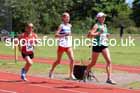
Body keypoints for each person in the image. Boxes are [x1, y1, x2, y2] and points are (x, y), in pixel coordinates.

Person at [85, 12, 116, 84]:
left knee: (109, 61)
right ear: (98, 18)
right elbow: (89, 35)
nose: (104, 18)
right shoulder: (96, 25)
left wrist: (106, 35)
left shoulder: (105, 25)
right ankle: (86, 72)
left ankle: (109, 78)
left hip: (104, 45)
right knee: (93, 63)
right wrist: (98, 33)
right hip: (96, 45)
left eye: (104, 17)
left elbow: (103, 35)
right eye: (102, 17)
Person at [49, 12, 75, 80]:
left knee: (72, 59)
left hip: (68, 45)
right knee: (58, 61)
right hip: (61, 45)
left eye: (69, 17)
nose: (68, 18)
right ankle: (51, 71)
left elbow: (69, 34)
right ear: (63, 18)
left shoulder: (70, 25)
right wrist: (64, 35)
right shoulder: (61, 26)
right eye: (67, 17)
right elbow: (56, 35)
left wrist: (70, 39)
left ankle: (71, 74)